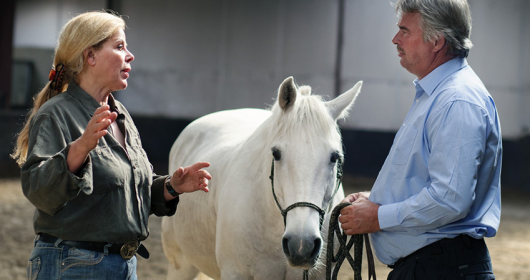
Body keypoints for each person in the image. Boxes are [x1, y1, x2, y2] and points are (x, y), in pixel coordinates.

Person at [11, 11, 212, 280]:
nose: (130, 55)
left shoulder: (122, 116)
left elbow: (126, 194)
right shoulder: (55, 114)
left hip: (124, 266)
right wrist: (81, 147)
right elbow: (39, 191)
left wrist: (171, 187)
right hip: (72, 265)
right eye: (119, 46)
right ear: (90, 56)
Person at [338, 0, 502, 279]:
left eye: (405, 31)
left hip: (442, 269)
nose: (395, 39)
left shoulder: (456, 100)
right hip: (437, 266)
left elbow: (450, 200)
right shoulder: (439, 94)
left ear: (436, 41)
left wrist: (378, 217)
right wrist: (377, 200)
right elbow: (431, 180)